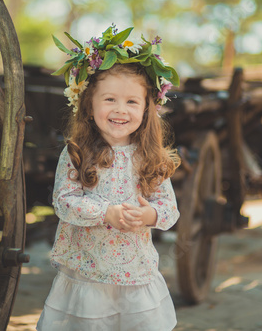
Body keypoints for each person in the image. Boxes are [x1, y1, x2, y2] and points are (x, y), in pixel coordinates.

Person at [37, 24, 181, 331]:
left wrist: (149, 214)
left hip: (135, 272)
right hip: (88, 273)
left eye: (132, 102)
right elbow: (64, 202)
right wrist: (106, 213)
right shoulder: (77, 152)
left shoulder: (149, 157)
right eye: (110, 99)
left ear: (147, 108)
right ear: (89, 104)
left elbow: (169, 210)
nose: (120, 110)